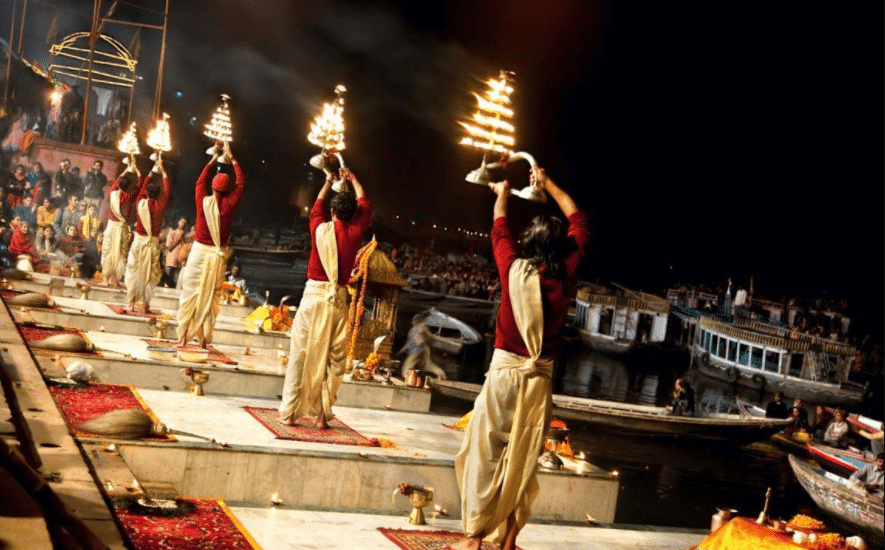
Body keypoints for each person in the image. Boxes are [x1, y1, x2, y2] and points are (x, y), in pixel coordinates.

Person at [453, 168, 589, 550]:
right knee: (523, 462)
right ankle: (509, 540)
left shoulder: (513, 267)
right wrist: (548, 183)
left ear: (529, 243)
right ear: (562, 248)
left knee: (484, 454)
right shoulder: (568, 275)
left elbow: (499, 225)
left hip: (504, 377)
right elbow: (577, 217)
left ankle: (476, 537)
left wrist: (503, 192)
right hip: (539, 381)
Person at [277, 166, 371, 430]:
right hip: (336, 303)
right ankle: (322, 417)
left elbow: (317, 203)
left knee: (300, 355)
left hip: (312, 299)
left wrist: (328, 181)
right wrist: (353, 179)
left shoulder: (318, 226)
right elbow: (365, 203)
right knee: (334, 360)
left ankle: (289, 414)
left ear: (332, 212)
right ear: (353, 215)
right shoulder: (355, 233)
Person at [176, 142, 245, 348]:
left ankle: (183, 337)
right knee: (212, 297)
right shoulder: (230, 204)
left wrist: (213, 159)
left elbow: (199, 182)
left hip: (199, 252)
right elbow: (242, 183)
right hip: (218, 255)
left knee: (190, 293)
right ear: (228, 189)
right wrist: (232, 158)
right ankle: (204, 339)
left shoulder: (202, 200)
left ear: (213, 187)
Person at [124, 161, 172, 312]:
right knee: (150, 275)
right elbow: (168, 190)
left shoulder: (140, 202)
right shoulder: (160, 205)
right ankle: (145, 304)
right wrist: (163, 171)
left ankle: (131, 303)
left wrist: (152, 172)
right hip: (153, 244)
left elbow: (142, 189)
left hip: (139, 242)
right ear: (159, 195)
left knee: (134, 271)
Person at [100, 162, 140, 287]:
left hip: (111, 227)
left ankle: (106, 279)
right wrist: (136, 170)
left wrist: (126, 170)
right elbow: (139, 185)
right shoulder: (130, 196)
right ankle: (116, 280)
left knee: (108, 252)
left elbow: (115, 183)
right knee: (120, 254)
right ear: (129, 187)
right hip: (122, 227)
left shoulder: (113, 193)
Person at [163, 217, 188, 287]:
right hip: (170, 262)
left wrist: (183, 239)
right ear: (178, 222)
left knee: (177, 285)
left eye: (185, 223)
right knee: (167, 285)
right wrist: (178, 239)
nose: (183, 224)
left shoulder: (186, 236)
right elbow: (169, 248)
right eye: (182, 222)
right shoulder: (172, 233)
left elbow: (186, 248)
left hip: (180, 264)